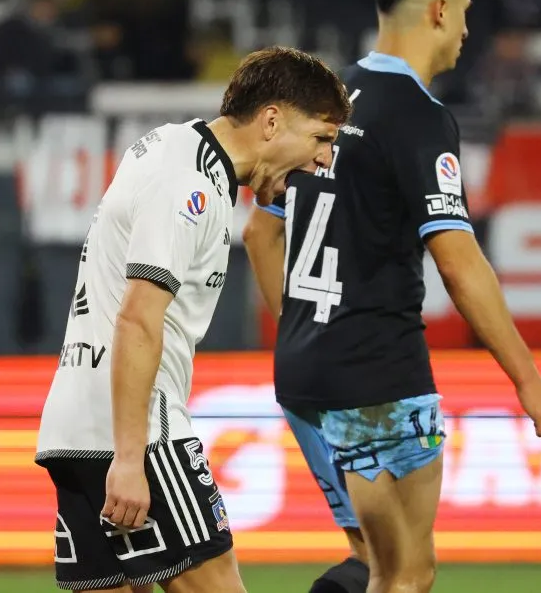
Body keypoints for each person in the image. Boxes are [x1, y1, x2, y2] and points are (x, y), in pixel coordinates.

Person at [242, 0, 541, 593]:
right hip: (380, 379)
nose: (469, 30)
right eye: (467, 12)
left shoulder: (320, 104)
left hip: (305, 373)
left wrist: (306, 326)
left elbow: (258, 233)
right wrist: (529, 379)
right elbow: (458, 262)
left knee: (370, 564)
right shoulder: (419, 117)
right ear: (440, 10)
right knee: (407, 574)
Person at [35, 46, 352, 593]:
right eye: (322, 138)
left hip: (75, 424)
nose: (324, 159)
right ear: (272, 120)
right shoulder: (192, 186)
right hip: (137, 434)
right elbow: (137, 318)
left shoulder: (172, 147)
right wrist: (132, 459)